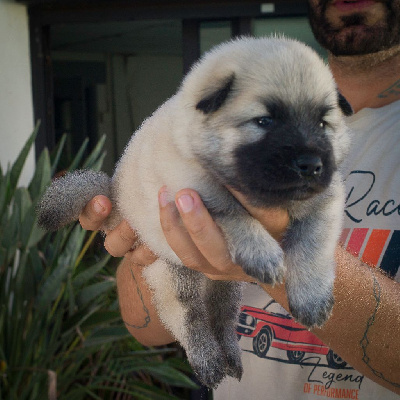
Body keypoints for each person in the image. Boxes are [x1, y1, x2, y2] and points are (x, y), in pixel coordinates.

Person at [79, 0, 400, 398]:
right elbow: (147, 327)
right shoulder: (199, 120)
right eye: (263, 121)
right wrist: (142, 227)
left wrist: (282, 255)